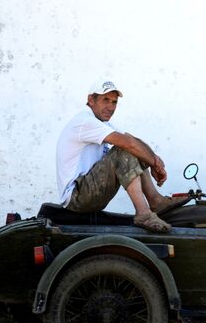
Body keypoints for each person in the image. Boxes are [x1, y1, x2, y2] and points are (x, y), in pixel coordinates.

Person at [56, 79, 186, 233]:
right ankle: (144, 214)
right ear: (91, 100)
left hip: (88, 192)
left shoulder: (100, 124)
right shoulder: (85, 121)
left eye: (114, 102)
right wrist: (153, 164)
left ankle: (156, 201)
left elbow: (133, 140)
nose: (111, 107)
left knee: (133, 148)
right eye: (105, 100)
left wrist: (154, 159)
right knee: (125, 149)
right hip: (77, 197)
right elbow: (127, 143)